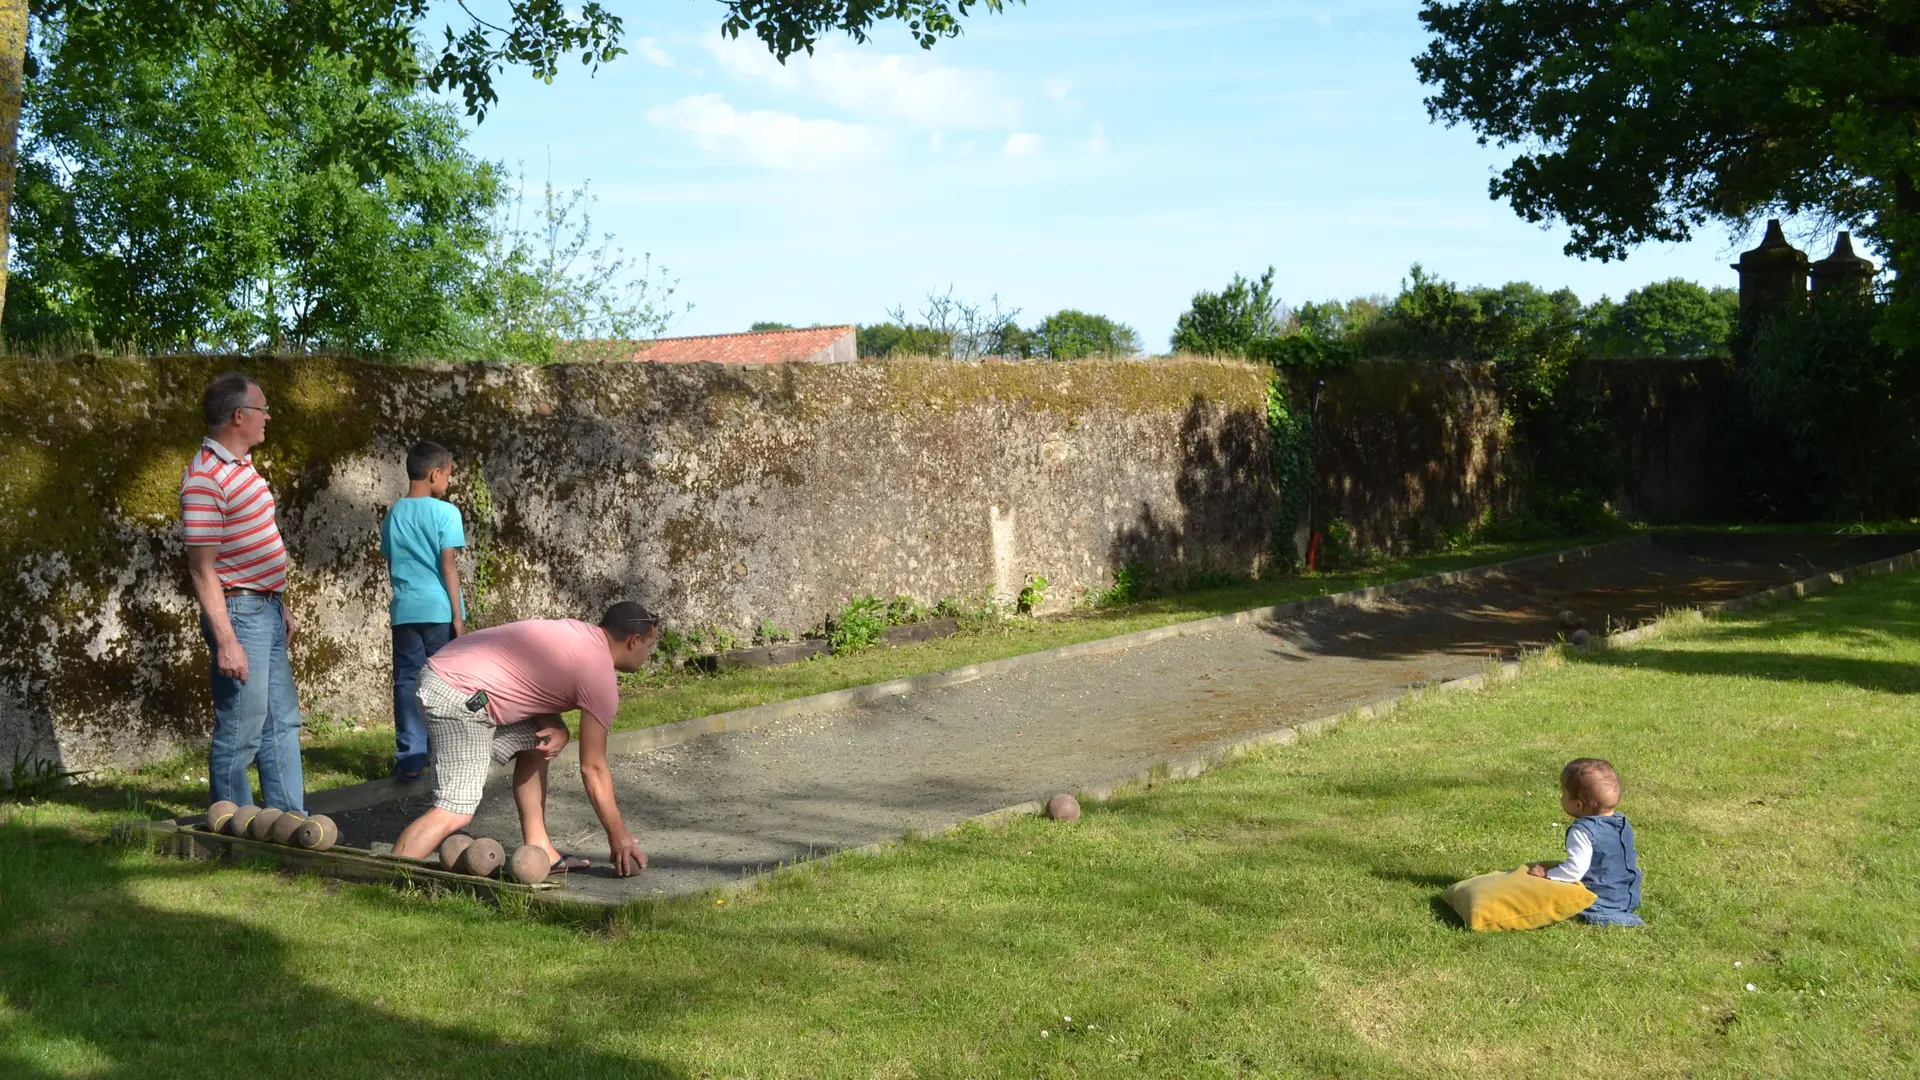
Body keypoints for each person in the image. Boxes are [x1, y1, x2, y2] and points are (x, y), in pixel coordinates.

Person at [391, 602, 661, 876]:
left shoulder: (576, 633)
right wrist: (619, 837)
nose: (646, 654)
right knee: (455, 809)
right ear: (633, 641)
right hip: (459, 695)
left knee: (539, 744)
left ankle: (540, 847)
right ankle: (384, 878)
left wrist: (557, 726)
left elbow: (533, 679)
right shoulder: (600, 676)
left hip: (446, 678)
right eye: (648, 646)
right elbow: (593, 767)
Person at [180, 371, 305, 813]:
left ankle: (292, 823)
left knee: (281, 723)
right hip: (239, 613)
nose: (268, 416)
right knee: (242, 728)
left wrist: (279, 601)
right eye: (261, 409)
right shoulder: (204, 480)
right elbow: (202, 569)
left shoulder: (242, 467)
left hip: (264, 607)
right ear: (239, 416)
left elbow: (253, 545)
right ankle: (234, 828)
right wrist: (227, 641)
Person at [380, 440, 467, 781]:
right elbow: (448, 565)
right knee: (444, 681)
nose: (448, 483)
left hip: (405, 610)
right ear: (434, 474)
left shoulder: (394, 513)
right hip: (439, 610)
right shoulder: (446, 513)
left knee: (406, 681)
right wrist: (458, 617)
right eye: (448, 475)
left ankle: (411, 757)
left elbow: (391, 561)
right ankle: (446, 750)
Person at [1529, 757, 1644, 926]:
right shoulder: (1622, 823)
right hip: (1627, 896)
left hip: (1598, 903)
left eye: (1564, 793)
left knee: (1541, 893)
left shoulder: (1582, 831)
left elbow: (1575, 870)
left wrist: (1548, 875)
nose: (1561, 797)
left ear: (1578, 805)